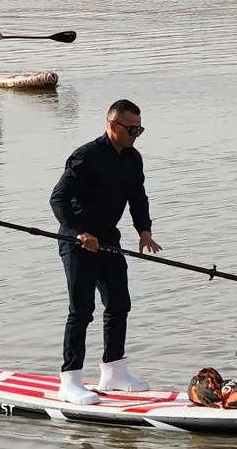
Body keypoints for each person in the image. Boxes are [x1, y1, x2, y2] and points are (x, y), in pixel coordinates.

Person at [48, 99, 162, 405]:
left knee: (119, 303)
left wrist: (144, 231)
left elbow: (138, 196)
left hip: (109, 239)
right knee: (81, 310)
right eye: (131, 129)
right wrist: (78, 233)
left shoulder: (133, 159)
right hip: (78, 243)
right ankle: (70, 380)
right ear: (112, 126)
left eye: (140, 129)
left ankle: (114, 371)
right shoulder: (85, 157)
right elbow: (58, 199)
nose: (136, 134)